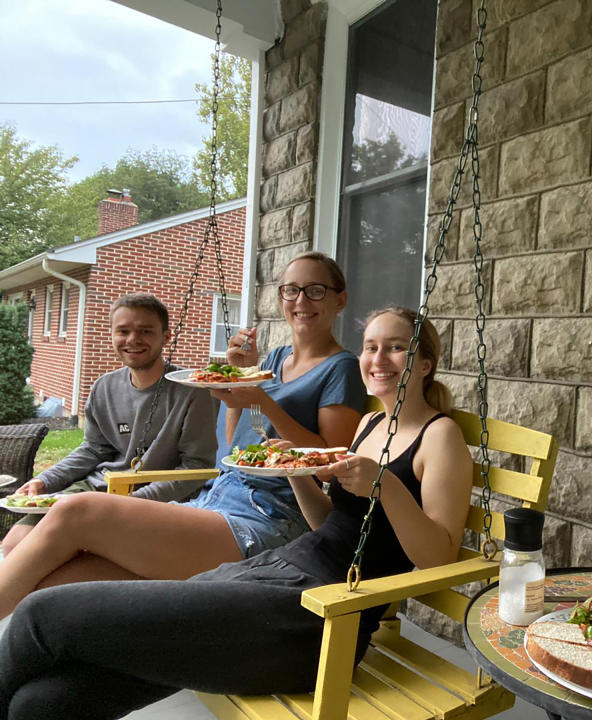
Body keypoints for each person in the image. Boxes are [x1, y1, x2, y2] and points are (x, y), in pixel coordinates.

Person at [0, 307, 474, 720]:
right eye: (371, 346)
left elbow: (438, 559)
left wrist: (386, 486)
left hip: (318, 619)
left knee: (45, 615)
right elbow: (329, 524)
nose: (377, 359)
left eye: (395, 348)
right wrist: (294, 472)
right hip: (275, 573)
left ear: (425, 363)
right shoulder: (372, 423)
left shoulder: (441, 437)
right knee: (45, 703)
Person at [0, 252, 366, 617]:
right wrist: (238, 380)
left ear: (340, 299)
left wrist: (264, 401)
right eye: (291, 290)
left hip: (267, 516)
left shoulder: (342, 368)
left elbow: (327, 462)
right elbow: (237, 438)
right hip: (217, 497)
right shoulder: (274, 360)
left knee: (76, 511)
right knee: (51, 585)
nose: (301, 300)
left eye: (315, 290)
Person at [1, 293, 217, 556]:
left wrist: (127, 503)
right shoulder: (104, 387)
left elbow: (197, 468)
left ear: (166, 336)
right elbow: (93, 449)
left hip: (152, 501)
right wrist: (45, 481)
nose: (132, 340)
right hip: (95, 488)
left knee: (52, 554)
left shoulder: (192, 392)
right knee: (15, 543)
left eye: (145, 331)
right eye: (123, 331)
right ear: (112, 335)